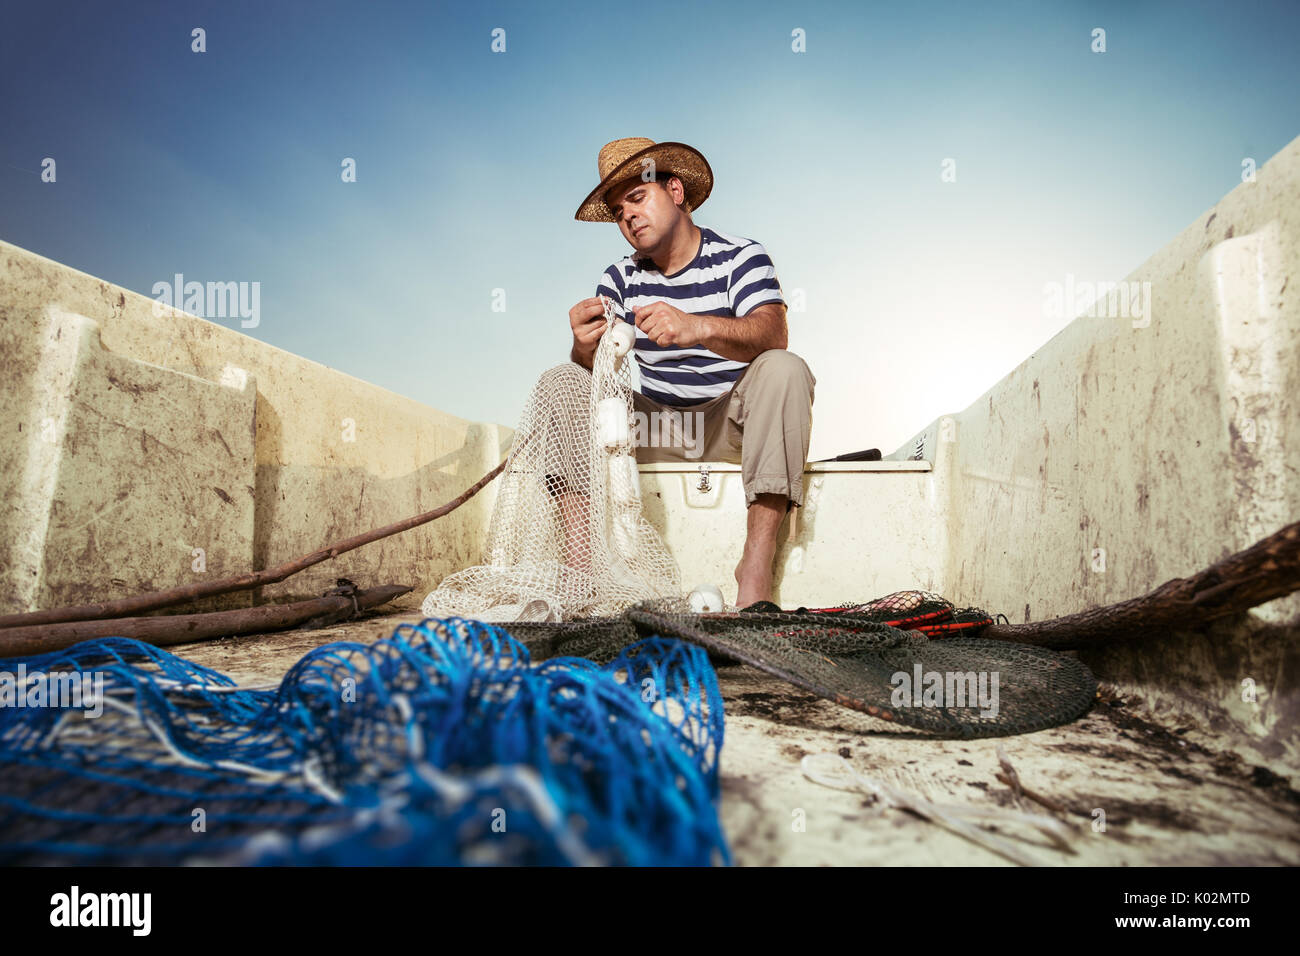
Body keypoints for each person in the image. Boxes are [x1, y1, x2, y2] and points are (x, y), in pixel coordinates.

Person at [555, 137, 816, 607]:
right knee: (565, 382)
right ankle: (579, 573)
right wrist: (581, 349)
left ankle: (754, 569)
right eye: (617, 212)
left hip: (731, 423)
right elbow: (599, 379)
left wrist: (697, 327)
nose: (628, 216)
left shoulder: (741, 256)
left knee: (784, 369)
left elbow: (773, 333)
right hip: (654, 424)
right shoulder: (618, 279)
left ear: (675, 191)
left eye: (637, 198)